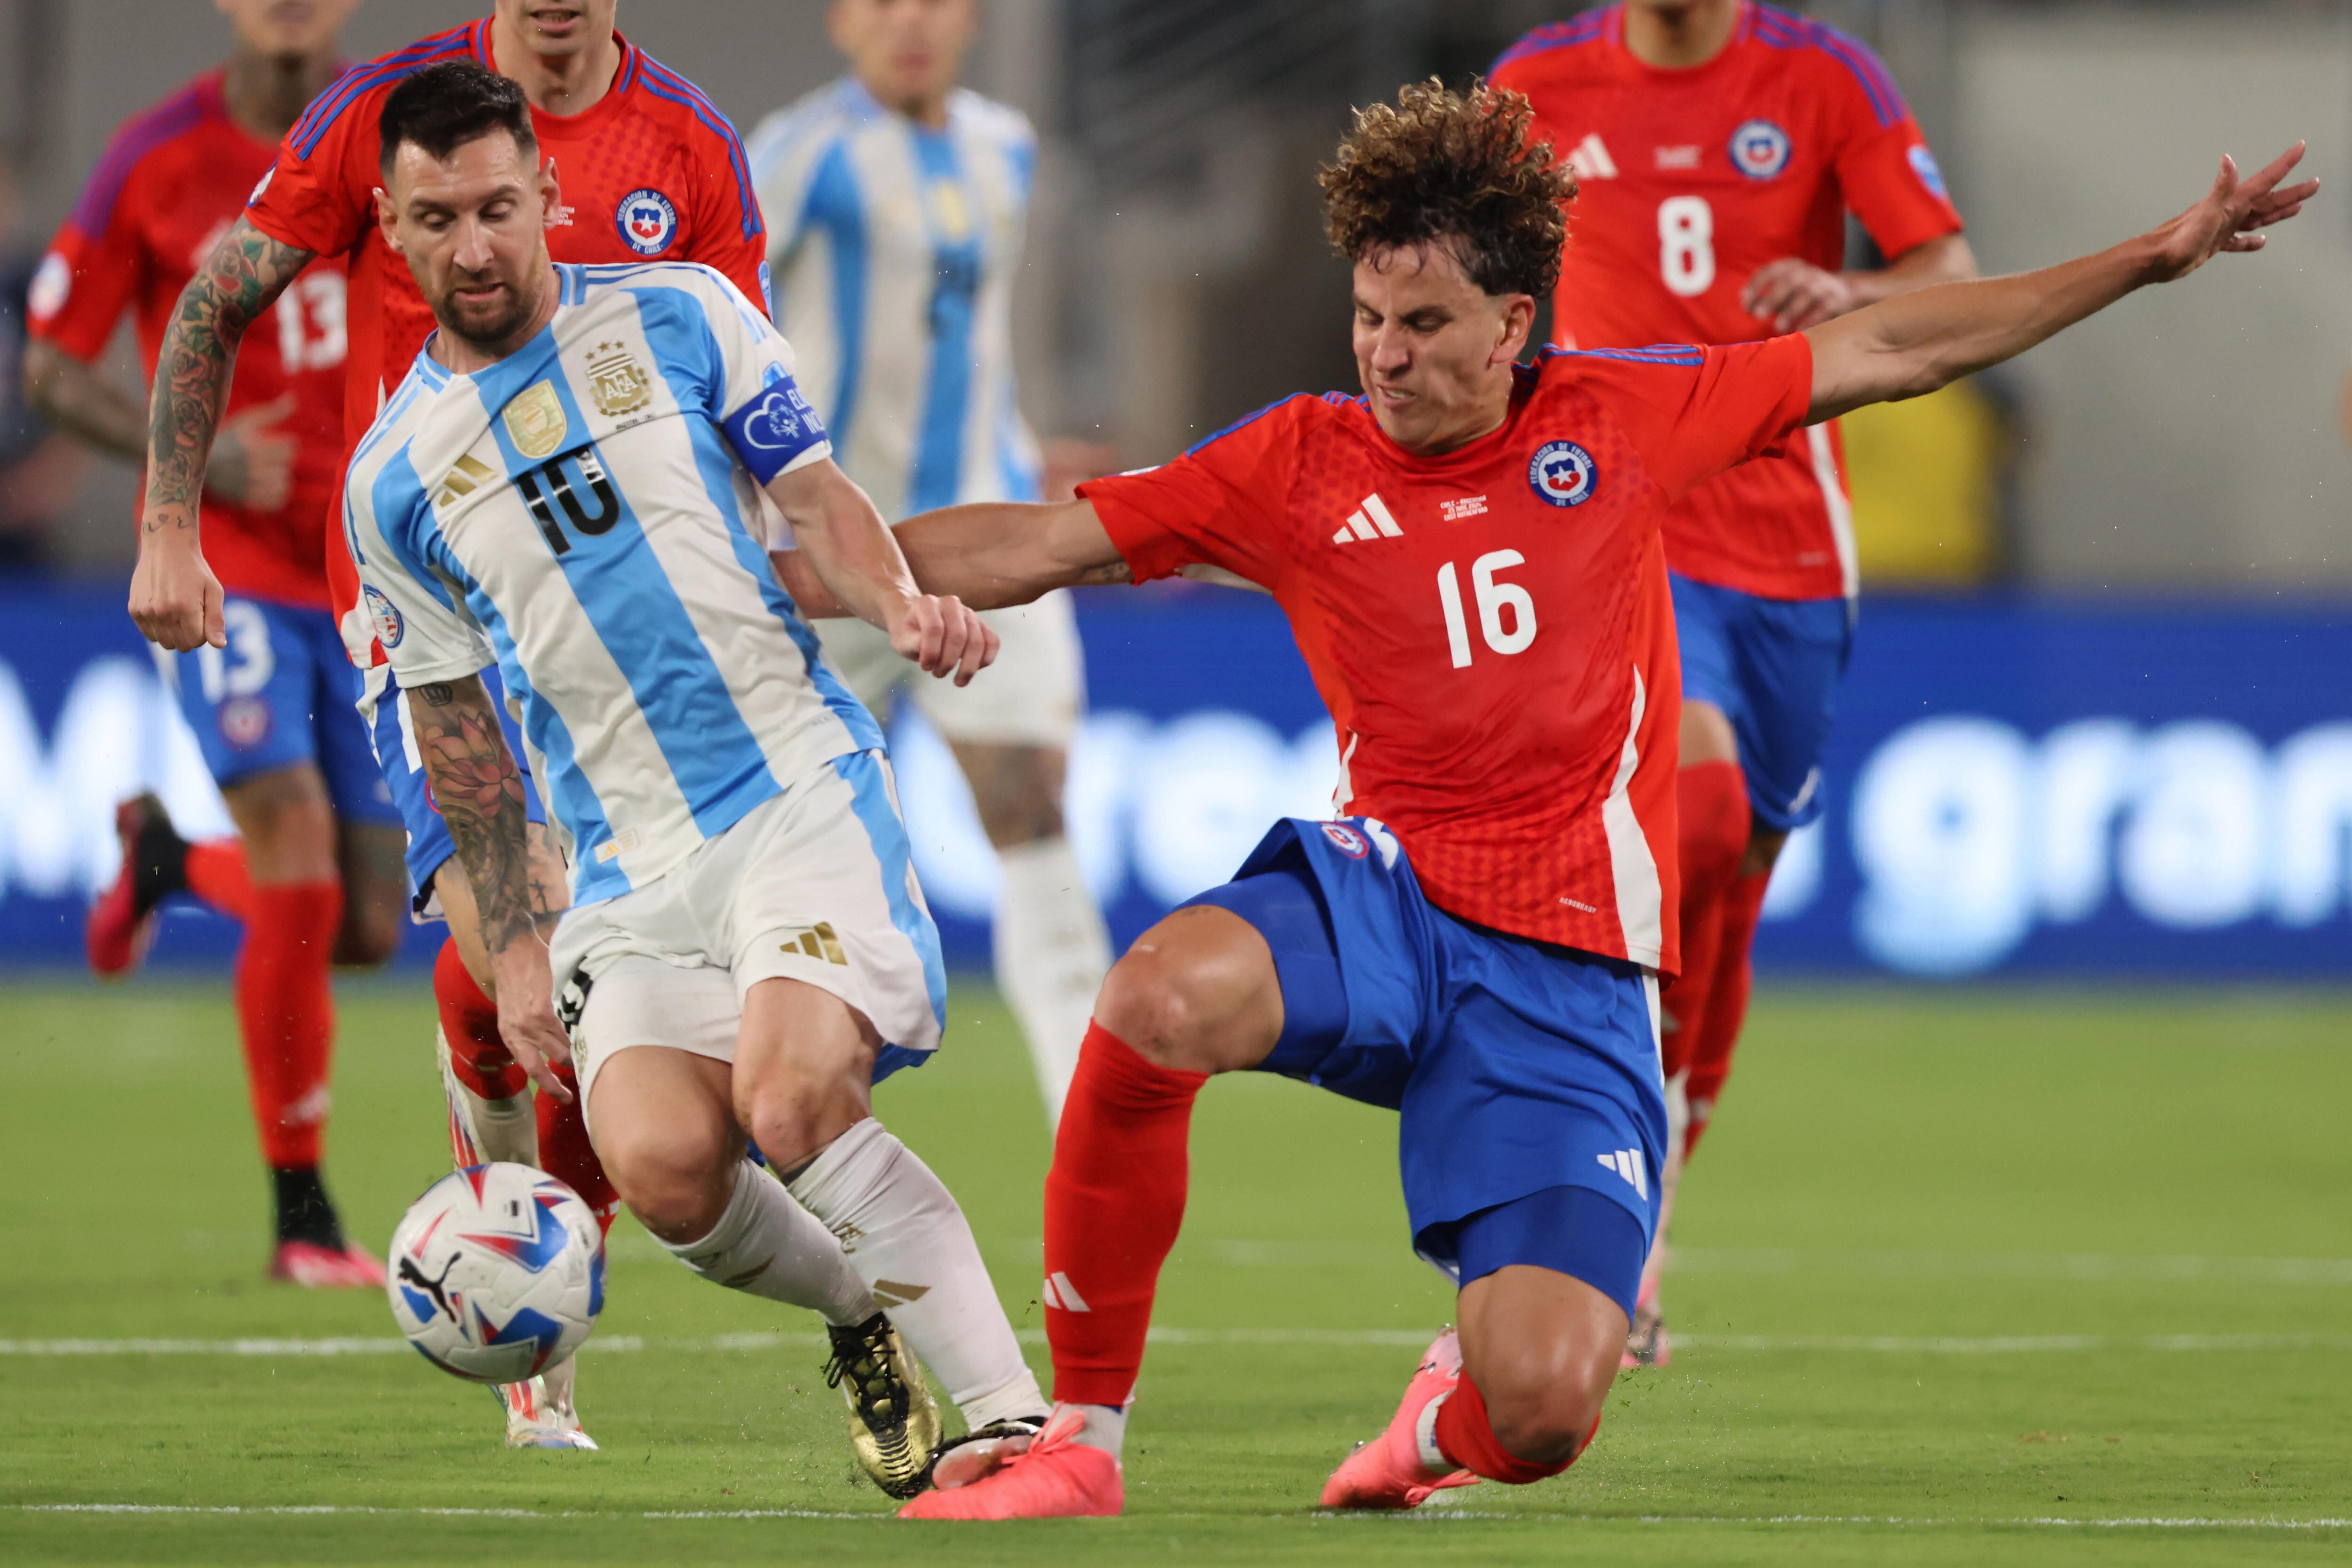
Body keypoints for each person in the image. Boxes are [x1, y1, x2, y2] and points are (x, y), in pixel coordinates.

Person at [808, 82, 2309, 1518]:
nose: (1385, 357)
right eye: (1368, 319)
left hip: (1575, 971)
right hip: (1387, 894)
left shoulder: (1627, 417)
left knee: (1543, 1410)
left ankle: (1437, 1416)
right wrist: (812, 569)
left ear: (1515, 323)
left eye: (1425, 324)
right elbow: (1044, 538)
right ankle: (1083, 1430)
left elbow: (1894, 349)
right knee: (1154, 994)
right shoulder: (1295, 461)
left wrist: (2146, 259)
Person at [347, 63, 1050, 1498]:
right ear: (390, 224)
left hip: (789, 782)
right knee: (664, 1168)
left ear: (548, 194)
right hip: (622, 866)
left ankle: (1012, 1421)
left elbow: (815, 493)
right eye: (436, 219)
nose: (473, 246)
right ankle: (861, 1315)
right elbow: (456, 722)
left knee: (791, 1099)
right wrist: (522, 938)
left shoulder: (679, 315)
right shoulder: (392, 479)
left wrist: (898, 596)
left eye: (496, 206)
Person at [126, 0, 775, 1449]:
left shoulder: (693, 151)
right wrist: (171, 527)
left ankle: (517, 1150)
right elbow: (214, 297)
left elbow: (738, 390)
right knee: (544, 953)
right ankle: (538, 1337)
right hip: (439, 630)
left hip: (630, 641)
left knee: (567, 984)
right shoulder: (381, 113)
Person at [1491, 0, 1978, 1366]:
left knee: (1737, 870)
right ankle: (1586, 1199)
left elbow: (1949, 271)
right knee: (1690, 823)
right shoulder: (1535, 83)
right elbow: (1460, 272)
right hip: (1623, 523)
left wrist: (1852, 295)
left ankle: (1648, 1200)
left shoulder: (1822, 80)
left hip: (1792, 554)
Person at [27, 0, 404, 1290]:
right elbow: (50, 366)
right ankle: (303, 1214)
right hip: (224, 569)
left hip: (366, 565)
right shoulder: (156, 155)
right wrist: (180, 453)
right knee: (294, 846)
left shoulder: (394, 134)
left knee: (360, 917)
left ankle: (171, 855)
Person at [747, 0, 1111, 1129]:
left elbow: (975, 338)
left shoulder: (1007, 146)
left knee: (1033, 813)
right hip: (833, 560)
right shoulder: (796, 155)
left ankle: (1091, 1128)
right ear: (838, 18)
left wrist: (1023, 443)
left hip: (984, 542)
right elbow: (726, 323)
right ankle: (740, 1099)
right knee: (778, 840)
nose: (910, 21)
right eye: (881, 0)